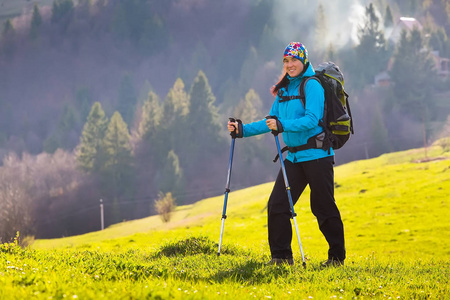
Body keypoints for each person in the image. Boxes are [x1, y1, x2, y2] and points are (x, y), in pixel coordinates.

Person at [227, 42, 345, 267]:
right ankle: (281, 258)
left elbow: (312, 120)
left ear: (304, 61)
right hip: (293, 158)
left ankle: (337, 258)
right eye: (286, 61)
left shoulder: (313, 86)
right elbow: (270, 121)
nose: (290, 65)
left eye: (294, 60)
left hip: (317, 155)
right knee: (277, 205)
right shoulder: (284, 90)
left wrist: (283, 125)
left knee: (323, 207)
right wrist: (242, 130)